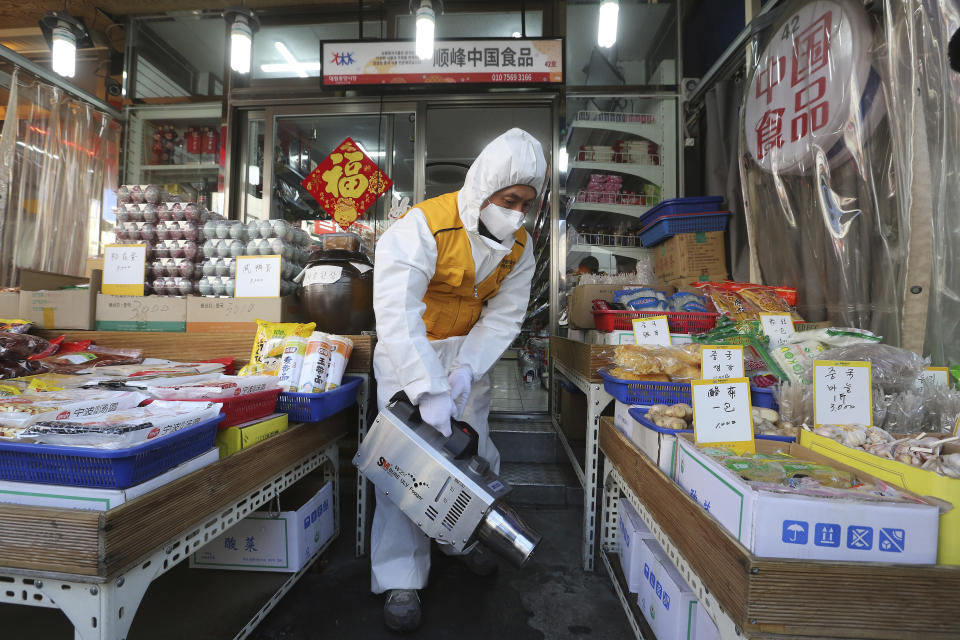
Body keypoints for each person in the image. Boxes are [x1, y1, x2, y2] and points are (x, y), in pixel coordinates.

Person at [370, 128, 546, 632]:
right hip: (411, 357)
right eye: (508, 200)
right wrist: (425, 388)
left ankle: (460, 538)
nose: (516, 213)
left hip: (466, 358)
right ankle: (400, 576)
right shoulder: (424, 225)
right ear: (484, 188)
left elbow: (506, 315)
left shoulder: (520, 247)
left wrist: (467, 368)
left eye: (525, 204)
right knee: (406, 471)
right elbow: (397, 312)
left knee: (472, 458)